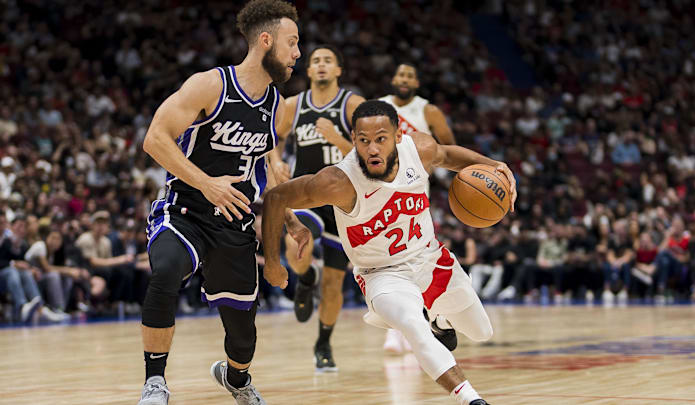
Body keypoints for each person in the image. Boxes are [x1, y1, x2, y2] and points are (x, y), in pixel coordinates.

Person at [262, 100, 518, 405]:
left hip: (430, 259)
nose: (372, 149)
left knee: (481, 332)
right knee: (412, 325)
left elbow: (448, 155)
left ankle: (440, 321)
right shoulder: (338, 181)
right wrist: (273, 261)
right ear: (353, 139)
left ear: (397, 136)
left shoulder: (418, 150)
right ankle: (471, 399)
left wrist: (494, 166)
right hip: (382, 275)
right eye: (363, 140)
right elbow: (277, 197)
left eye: (381, 139)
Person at [136, 1, 309, 404]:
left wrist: (291, 221)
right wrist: (207, 183)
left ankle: (236, 378)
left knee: (243, 336)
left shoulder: (275, 107)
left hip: (234, 224)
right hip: (185, 211)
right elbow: (155, 140)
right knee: (164, 272)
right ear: (265, 41)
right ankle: (154, 382)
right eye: (292, 43)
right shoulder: (210, 85)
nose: (297, 53)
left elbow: (260, 178)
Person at [272, 44, 365, 371]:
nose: (322, 65)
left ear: (338, 70)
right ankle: (306, 276)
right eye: (316, 61)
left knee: (335, 284)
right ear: (308, 71)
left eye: (328, 60)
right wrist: (277, 161)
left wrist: (338, 139)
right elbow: (271, 138)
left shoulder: (353, 105)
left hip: (344, 202)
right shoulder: (293, 106)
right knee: (296, 243)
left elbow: (374, 153)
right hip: (307, 194)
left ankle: (323, 341)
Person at [379, 62, 457, 353]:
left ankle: (418, 325)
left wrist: (433, 163)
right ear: (393, 78)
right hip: (381, 192)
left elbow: (447, 146)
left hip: (414, 195)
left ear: (417, 82)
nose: (404, 79)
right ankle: (393, 331)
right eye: (400, 74)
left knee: (416, 263)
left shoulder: (428, 111)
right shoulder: (380, 106)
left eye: (410, 75)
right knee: (385, 262)